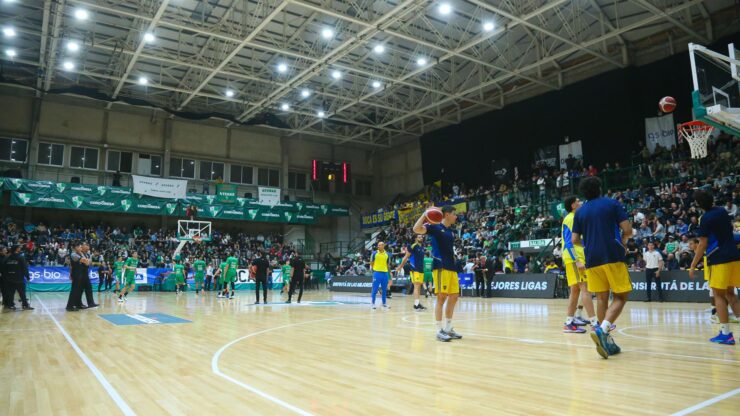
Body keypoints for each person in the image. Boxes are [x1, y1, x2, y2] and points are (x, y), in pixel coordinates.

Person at [572, 176, 633, 359]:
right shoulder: (612, 204)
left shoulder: (580, 213)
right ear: (600, 187)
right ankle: (603, 331)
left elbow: (575, 240)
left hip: (592, 258)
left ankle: (606, 341)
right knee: (621, 296)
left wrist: (590, 244)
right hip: (612, 254)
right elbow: (628, 229)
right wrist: (622, 241)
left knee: (601, 298)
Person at [689, 189, 740, 345]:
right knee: (731, 294)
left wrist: (692, 265)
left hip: (718, 258)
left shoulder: (705, 218)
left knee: (719, 295)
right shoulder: (722, 211)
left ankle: (726, 334)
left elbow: (702, 243)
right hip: (734, 255)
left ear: (698, 204)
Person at [413, 205, 463, 342]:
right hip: (440, 266)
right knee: (441, 297)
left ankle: (448, 328)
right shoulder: (434, 227)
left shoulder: (451, 231)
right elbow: (416, 229)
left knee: (454, 296)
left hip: (451, 267)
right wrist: (425, 214)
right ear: (446, 214)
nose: (456, 216)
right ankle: (438, 330)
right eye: (454, 214)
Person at [561, 196, 596, 334]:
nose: (580, 202)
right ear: (573, 205)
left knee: (575, 291)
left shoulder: (576, 218)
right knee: (585, 289)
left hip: (577, 257)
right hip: (574, 258)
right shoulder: (570, 218)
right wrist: (577, 260)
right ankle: (595, 323)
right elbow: (569, 242)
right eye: (577, 201)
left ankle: (569, 322)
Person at [395, 234, 427, 310]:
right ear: (416, 238)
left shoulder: (422, 247)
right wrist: (400, 267)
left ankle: (418, 303)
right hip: (414, 269)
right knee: (416, 286)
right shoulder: (412, 246)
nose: (421, 238)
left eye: (421, 237)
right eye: (419, 237)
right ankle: (416, 305)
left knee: (419, 287)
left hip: (421, 269)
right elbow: (406, 257)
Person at [2, 245, 33, 310]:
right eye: (19, 248)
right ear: (16, 249)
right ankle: (25, 305)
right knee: (22, 293)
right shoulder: (21, 257)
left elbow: (3, 269)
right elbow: (24, 268)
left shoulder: (7, 258)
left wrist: (6, 277)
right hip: (19, 279)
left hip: (9, 279)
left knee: (10, 293)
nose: (20, 248)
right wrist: (27, 277)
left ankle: (11, 305)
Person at [370, 242, 391, 309]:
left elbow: (388, 265)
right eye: (378, 245)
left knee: (384, 290)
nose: (378, 246)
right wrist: (374, 270)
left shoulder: (387, 254)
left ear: (383, 246)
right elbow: (371, 263)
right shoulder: (374, 253)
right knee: (375, 289)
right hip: (377, 273)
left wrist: (389, 274)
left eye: (379, 245)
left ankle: (384, 303)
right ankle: (373, 303)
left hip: (385, 274)